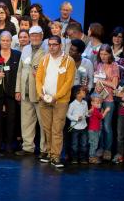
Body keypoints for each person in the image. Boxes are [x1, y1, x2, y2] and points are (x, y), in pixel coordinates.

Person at [36, 35, 76, 168]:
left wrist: (56, 96)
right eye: (50, 44)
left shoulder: (68, 61)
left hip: (60, 101)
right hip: (45, 99)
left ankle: (56, 156)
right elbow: (38, 79)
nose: (51, 47)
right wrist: (40, 94)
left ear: (60, 45)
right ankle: (48, 152)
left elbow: (68, 82)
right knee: (47, 128)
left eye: (54, 44)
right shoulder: (44, 59)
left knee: (57, 129)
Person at [14, 26, 47, 157]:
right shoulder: (26, 48)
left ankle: (44, 149)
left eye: (37, 35)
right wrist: (18, 90)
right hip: (25, 91)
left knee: (43, 123)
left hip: (40, 93)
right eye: (32, 35)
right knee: (26, 121)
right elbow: (20, 70)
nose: (34, 37)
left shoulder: (47, 50)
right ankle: (28, 147)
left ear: (42, 35)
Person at [0, 31, 21, 157]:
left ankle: (9, 144)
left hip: (12, 93)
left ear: (11, 41)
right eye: (2, 40)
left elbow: (20, 74)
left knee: (11, 119)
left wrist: (18, 90)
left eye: (7, 40)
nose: (5, 42)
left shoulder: (17, 55)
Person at [93, 44, 119, 161]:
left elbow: (114, 85)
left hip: (109, 99)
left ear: (110, 54)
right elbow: (96, 82)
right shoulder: (98, 65)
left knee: (107, 126)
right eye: (101, 54)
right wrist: (97, 84)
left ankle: (108, 150)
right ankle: (100, 148)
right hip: (99, 99)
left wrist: (102, 81)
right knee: (99, 126)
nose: (103, 56)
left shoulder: (114, 66)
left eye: (105, 54)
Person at [66, 85, 89, 165]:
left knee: (84, 144)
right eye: (83, 91)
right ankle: (74, 158)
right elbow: (68, 115)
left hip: (84, 126)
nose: (85, 92)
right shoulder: (72, 104)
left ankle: (82, 158)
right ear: (77, 94)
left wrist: (88, 114)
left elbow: (86, 114)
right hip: (75, 128)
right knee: (74, 144)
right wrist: (76, 118)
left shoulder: (85, 103)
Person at [87, 93, 111, 165]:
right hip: (93, 130)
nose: (99, 104)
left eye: (100, 103)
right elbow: (101, 117)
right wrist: (106, 110)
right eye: (97, 103)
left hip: (95, 129)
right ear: (92, 103)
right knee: (94, 144)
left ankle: (92, 156)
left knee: (94, 143)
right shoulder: (94, 110)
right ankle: (91, 157)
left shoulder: (94, 109)